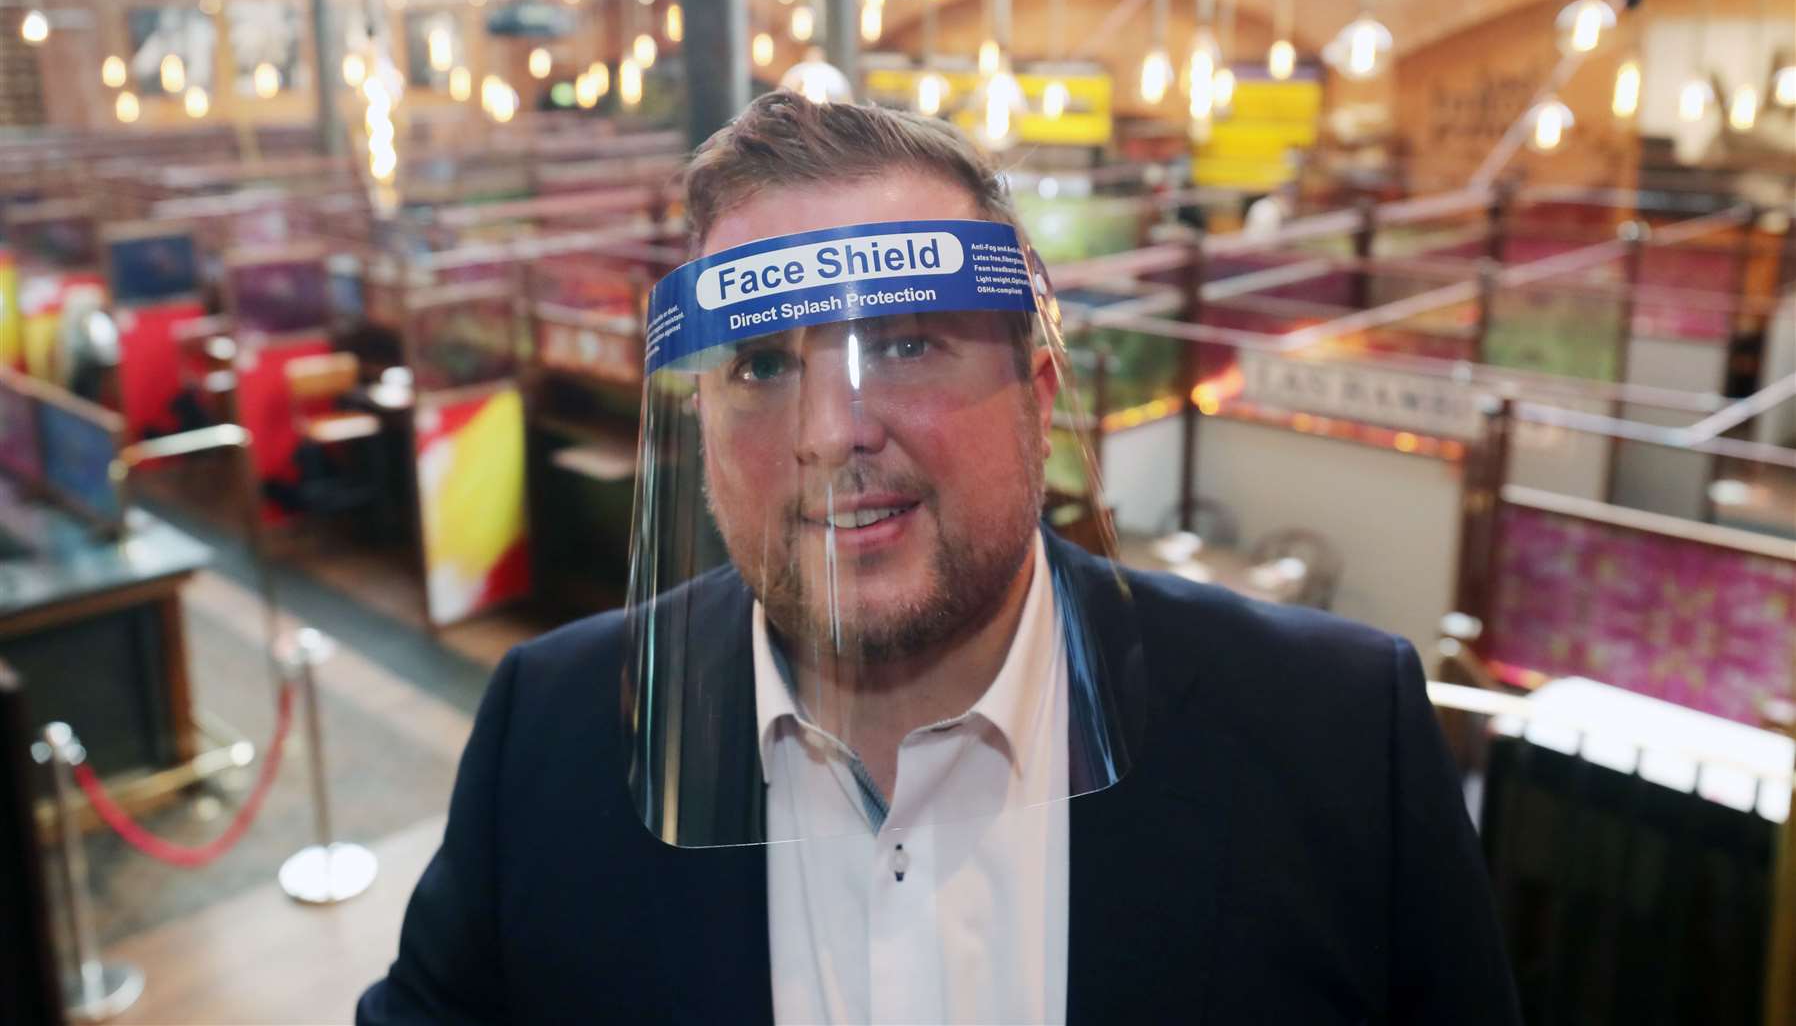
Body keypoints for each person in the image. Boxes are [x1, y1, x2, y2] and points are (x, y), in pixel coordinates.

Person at [359, 92, 1519, 1025]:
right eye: (760, 367)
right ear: (702, 428)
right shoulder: (556, 731)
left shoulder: (1331, 734)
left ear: (1037, 398)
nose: (828, 432)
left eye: (906, 341)